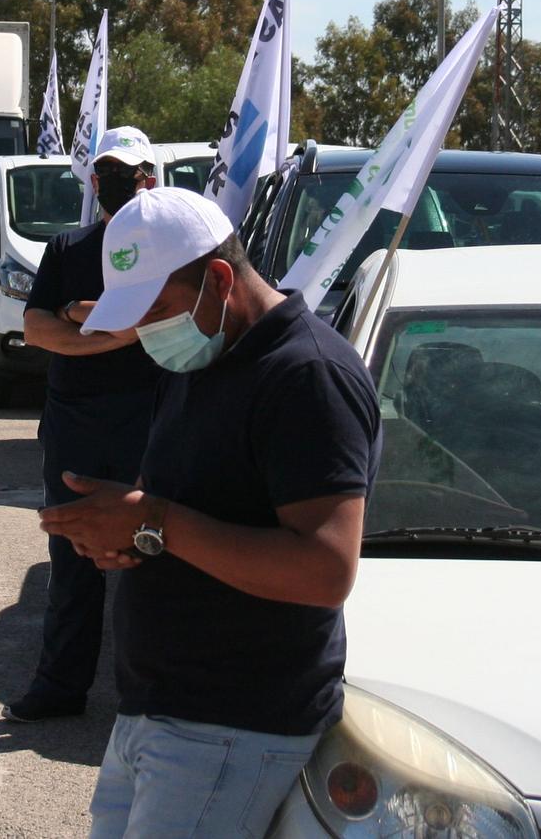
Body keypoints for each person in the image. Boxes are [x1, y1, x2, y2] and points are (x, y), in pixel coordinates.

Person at [38, 188, 382, 837]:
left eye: (158, 310)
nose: (145, 333)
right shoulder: (200, 354)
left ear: (220, 279)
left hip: (231, 726)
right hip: (155, 712)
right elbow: (172, 505)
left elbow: (325, 567)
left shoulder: (307, 376)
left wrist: (156, 520)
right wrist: (124, 533)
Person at [8, 126, 162, 723]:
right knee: (72, 557)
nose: (120, 184)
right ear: (94, 180)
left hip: (148, 424)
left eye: (131, 173)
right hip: (75, 429)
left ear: (151, 177)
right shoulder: (68, 248)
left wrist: (81, 317)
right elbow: (37, 329)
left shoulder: (169, 252)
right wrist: (108, 326)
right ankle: (60, 687)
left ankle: (150, 694)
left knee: (151, 558)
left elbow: (154, 321)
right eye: (109, 173)